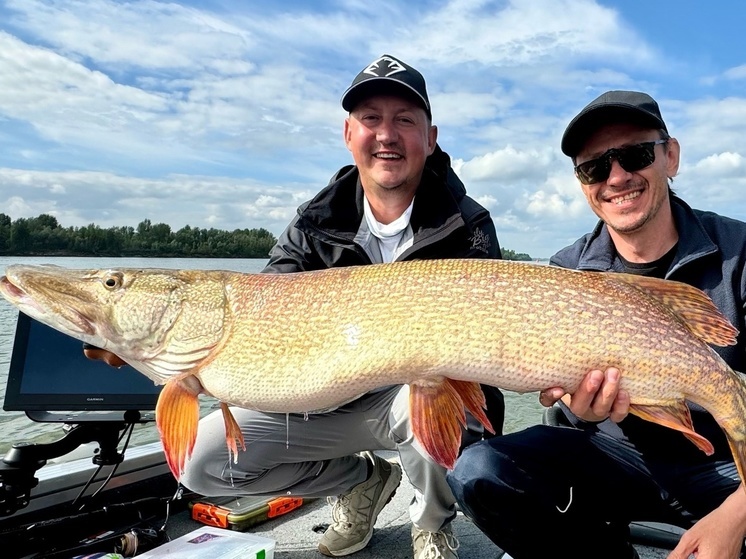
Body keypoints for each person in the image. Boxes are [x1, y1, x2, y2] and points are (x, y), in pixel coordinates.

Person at [84, 54, 502, 559]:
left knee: (430, 392)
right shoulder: (313, 223)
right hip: (324, 402)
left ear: (430, 138)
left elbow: (486, 354)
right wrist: (173, 358)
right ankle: (362, 481)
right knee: (201, 462)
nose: (386, 134)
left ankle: (432, 523)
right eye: (371, 118)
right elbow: (266, 303)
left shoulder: (466, 224)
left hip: (410, 400)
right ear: (349, 133)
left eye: (404, 120)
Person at [446, 90, 746, 559]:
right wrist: (582, 409)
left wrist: (737, 515)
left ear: (671, 156)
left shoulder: (739, 249)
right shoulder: (565, 273)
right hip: (613, 460)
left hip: (725, 469)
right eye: (595, 167)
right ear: (583, 184)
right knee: (480, 469)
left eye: (635, 155)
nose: (617, 177)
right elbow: (557, 395)